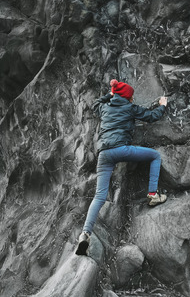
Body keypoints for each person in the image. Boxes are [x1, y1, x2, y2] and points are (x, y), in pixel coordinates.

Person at [75, 79, 168, 256]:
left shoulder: (105, 107)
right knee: (155, 156)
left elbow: (95, 104)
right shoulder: (130, 107)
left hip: (104, 154)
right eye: (131, 96)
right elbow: (151, 116)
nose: (132, 99)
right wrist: (162, 105)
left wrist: (109, 94)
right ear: (128, 97)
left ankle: (85, 234)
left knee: (99, 196)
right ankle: (152, 194)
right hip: (121, 150)